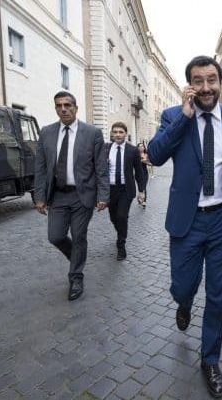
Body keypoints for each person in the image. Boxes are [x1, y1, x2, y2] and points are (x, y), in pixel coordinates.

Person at [147, 55, 222, 398]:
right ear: (189, 86)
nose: (206, 87)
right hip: (187, 220)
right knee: (182, 287)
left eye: (212, 80)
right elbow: (156, 154)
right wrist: (184, 116)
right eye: (199, 81)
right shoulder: (174, 116)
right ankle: (183, 302)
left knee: (219, 296)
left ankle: (210, 360)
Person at [34, 91, 109, 301]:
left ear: (76, 108)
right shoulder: (46, 132)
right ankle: (76, 256)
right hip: (56, 195)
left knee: (79, 236)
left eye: (67, 105)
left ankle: (76, 276)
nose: (63, 109)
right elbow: (40, 167)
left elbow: (101, 168)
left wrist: (103, 195)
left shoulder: (92, 133)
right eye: (58, 105)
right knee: (55, 236)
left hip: (81, 195)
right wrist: (39, 197)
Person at [106, 122, 145, 261]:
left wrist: (142, 191)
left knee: (122, 216)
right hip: (110, 189)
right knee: (113, 217)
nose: (117, 134)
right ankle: (120, 232)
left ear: (125, 134)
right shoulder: (106, 148)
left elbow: (139, 171)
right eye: (115, 132)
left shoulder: (132, 150)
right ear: (112, 133)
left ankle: (121, 245)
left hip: (125, 189)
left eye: (120, 132)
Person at [137, 142, 151, 208]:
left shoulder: (146, 154)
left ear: (144, 147)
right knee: (140, 188)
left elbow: (150, 163)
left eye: (142, 146)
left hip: (145, 173)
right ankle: (139, 196)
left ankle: (144, 201)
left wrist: (144, 161)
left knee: (144, 187)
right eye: (139, 146)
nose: (141, 147)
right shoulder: (135, 154)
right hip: (138, 173)